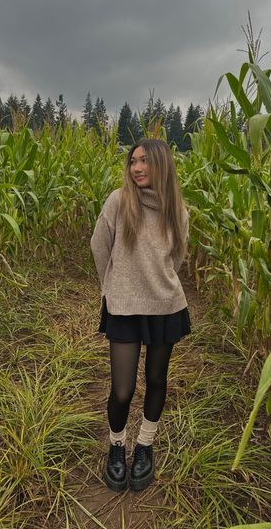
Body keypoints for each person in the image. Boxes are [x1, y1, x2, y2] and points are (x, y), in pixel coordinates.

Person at [90, 138, 191, 492]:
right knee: (122, 390)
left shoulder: (177, 209)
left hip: (164, 306)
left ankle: (145, 445)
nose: (136, 168)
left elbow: (176, 257)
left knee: (157, 381)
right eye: (133, 161)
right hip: (123, 307)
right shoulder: (119, 201)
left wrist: (156, 282)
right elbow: (98, 245)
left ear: (162, 164)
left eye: (145, 161)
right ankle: (117, 447)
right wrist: (113, 285)